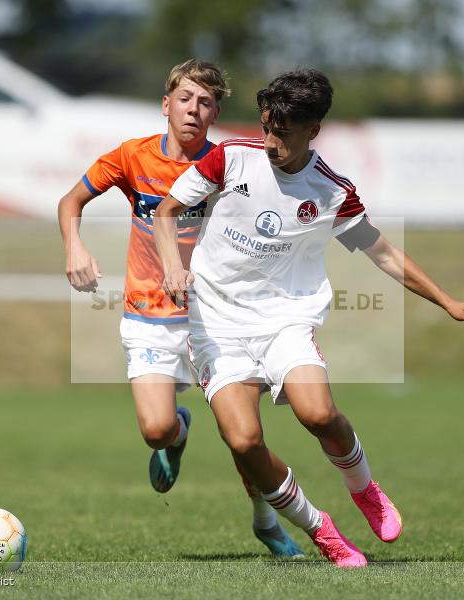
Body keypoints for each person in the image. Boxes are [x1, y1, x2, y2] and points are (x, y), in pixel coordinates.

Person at [154, 69, 464, 567]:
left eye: (285, 133)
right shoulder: (231, 157)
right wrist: (173, 264)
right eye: (267, 127)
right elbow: (167, 211)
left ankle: (364, 488)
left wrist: (447, 301)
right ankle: (321, 529)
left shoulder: (331, 192)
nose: (272, 142)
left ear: (313, 131)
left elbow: (382, 253)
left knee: (318, 414)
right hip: (215, 324)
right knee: (243, 440)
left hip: (285, 320)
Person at [57, 59, 303, 558]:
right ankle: (178, 431)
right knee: (155, 430)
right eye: (186, 98)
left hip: (214, 320)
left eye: (206, 102)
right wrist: (74, 249)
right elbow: (70, 202)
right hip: (147, 315)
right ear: (166, 105)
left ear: (215, 114)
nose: (194, 109)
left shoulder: (228, 165)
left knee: (243, 439)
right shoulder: (132, 157)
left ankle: (267, 522)